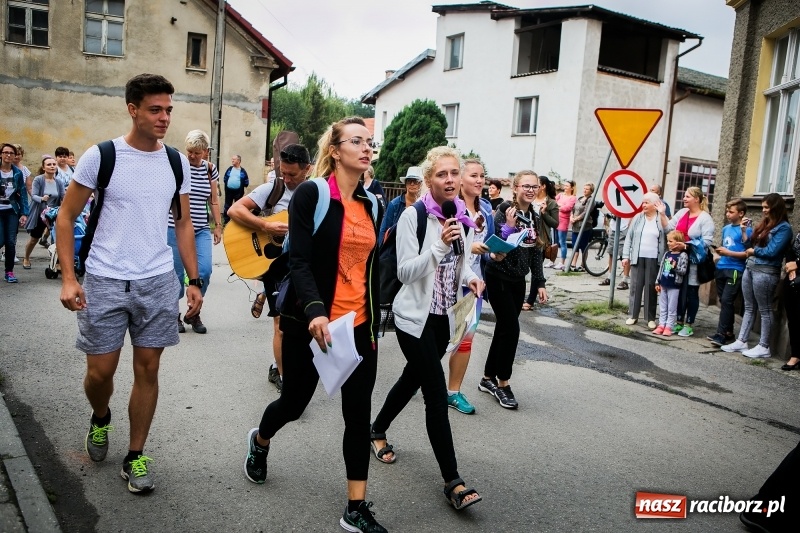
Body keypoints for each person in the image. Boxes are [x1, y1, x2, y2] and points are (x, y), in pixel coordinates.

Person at [56, 73, 202, 494]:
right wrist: (69, 278)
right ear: (133, 109)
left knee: (148, 368)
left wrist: (193, 279)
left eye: (169, 110)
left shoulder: (175, 162)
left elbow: (184, 221)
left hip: (156, 280)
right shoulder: (101, 156)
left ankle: (136, 454)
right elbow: (66, 217)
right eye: (155, 109)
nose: (164, 118)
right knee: (100, 372)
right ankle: (101, 417)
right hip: (104, 277)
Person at [243, 117, 389, 532]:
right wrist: (315, 310)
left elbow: (371, 268)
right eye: (356, 141)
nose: (366, 148)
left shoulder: (372, 203)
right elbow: (301, 260)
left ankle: (355, 508)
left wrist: (376, 318)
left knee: (359, 417)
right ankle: (260, 440)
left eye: (369, 142)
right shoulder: (312, 194)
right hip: (312, 323)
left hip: (358, 326)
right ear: (336, 150)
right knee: (294, 403)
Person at [370, 146, 483, 513]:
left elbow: (459, 265)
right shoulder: (412, 217)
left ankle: (376, 428)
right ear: (429, 179)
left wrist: (471, 278)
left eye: (454, 174)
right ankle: (453, 480)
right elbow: (405, 272)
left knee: (412, 379)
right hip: (413, 320)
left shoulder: (460, 213)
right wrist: (437, 246)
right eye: (442, 175)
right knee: (435, 394)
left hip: (443, 318)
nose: (449, 181)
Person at [228, 143, 312, 394]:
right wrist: (265, 227)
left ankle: (285, 364)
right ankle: (285, 377)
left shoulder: (316, 192)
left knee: (305, 323)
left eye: (292, 175)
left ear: (307, 169)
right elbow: (234, 209)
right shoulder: (273, 188)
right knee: (280, 325)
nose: (285, 178)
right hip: (277, 267)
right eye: (283, 172)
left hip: (304, 266)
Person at [480, 170, 547, 409]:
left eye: (534, 186)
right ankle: (504, 384)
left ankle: (487, 378)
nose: (530, 190)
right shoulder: (503, 212)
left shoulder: (535, 216)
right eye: (525, 186)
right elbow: (495, 248)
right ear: (516, 188)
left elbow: (536, 251)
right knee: (512, 328)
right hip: (498, 277)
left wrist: (539, 282)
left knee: (504, 328)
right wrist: (508, 226)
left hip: (519, 281)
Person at [447, 158, 500, 414]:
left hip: (473, 285)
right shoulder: (449, 207)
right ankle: (416, 376)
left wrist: (494, 253)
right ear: (460, 180)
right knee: (436, 337)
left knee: (464, 340)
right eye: (474, 176)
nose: (480, 180)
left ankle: (453, 392)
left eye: (482, 176)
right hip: (445, 284)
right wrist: (471, 247)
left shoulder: (487, 209)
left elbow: (486, 247)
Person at [721, 193, 792, 358]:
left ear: (776, 207)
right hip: (751, 269)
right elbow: (749, 246)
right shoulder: (766, 224)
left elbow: (772, 252)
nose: (764, 210)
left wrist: (754, 251)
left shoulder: (784, 228)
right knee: (749, 307)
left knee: (765, 309)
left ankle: (764, 346)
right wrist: (744, 231)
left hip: (766, 272)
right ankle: (742, 340)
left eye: (767, 207)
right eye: (763, 207)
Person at [169, 130, 220, 334]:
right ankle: (174, 315)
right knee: (175, 275)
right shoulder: (179, 167)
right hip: (176, 227)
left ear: (205, 152)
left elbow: (213, 199)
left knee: (204, 271)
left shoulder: (210, 169)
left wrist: (218, 225)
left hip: (200, 229)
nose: (192, 156)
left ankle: (194, 310)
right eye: (189, 151)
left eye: (197, 153)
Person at [660, 187, 715, 337]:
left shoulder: (705, 218)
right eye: (684, 196)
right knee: (678, 290)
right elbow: (669, 228)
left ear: (696, 199)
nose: (684, 199)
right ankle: (678, 322)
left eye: (687, 196)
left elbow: (707, 241)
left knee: (691, 292)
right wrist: (663, 214)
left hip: (693, 261)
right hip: (678, 258)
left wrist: (685, 246)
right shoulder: (682, 213)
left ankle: (689, 324)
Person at [707, 199, 752, 346]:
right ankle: (729, 332)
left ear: (741, 213)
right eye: (727, 211)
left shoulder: (746, 230)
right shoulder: (726, 228)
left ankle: (720, 334)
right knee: (724, 301)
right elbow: (727, 245)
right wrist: (720, 253)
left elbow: (748, 253)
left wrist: (728, 253)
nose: (727, 214)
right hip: (722, 267)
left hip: (735, 269)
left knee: (727, 300)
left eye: (731, 212)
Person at [622, 193, 665, 329]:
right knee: (635, 286)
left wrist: (663, 214)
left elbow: (669, 231)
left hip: (654, 258)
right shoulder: (638, 218)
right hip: (637, 257)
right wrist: (625, 256)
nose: (644, 205)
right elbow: (629, 237)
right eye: (643, 203)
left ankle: (650, 317)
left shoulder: (660, 218)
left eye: (647, 203)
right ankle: (633, 315)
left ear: (655, 204)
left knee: (651, 287)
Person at [23, 156, 65, 269]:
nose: (52, 166)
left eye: (53, 164)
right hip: (40, 214)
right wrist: (42, 198)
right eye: (49, 164)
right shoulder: (39, 179)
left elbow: (63, 197)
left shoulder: (59, 181)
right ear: (43, 167)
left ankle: (57, 263)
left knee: (57, 239)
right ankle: (26, 258)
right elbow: (34, 195)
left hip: (53, 214)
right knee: (34, 239)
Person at [524, 173, 558, 308]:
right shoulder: (530, 200)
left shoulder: (551, 203)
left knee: (536, 271)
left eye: (537, 185)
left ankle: (530, 301)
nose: (533, 188)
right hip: (526, 238)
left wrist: (544, 213)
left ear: (543, 187)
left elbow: (555, 224)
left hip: (541, 241)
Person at [0, 143, 29, 283]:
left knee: (10, 242)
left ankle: (9, 272)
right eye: (5, 152)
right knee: (0, 240)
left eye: (11, 153)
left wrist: (24, 213)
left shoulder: (17, 173)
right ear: (1, 154)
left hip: (12, 211)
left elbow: (22, 193)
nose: (8, 155)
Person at [652, 231, 689, 336]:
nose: (668, 243)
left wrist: (675, 267)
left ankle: (669, 326)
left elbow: (683, 271)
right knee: (663, 306)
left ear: (678, 243)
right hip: (664, 283)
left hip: (674, 285)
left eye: (670, 241)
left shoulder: (683, 255)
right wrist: (657, 282)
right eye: (668, 241)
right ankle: (661, 324)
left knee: (671, 307)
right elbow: (662, 269)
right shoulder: (667, 254)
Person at [378, 166, 422, 243]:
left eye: (415, 181)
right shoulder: (394, 204)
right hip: (395, 247)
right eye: (409, 181)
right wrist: (381, 251)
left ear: (421, 184)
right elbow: (384, 229)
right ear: (405, 184)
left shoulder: (424, 204)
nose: (412, 184)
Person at [781, 229, 800, 371]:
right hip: (793, 278)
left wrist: (798, 264)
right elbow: (791, 249)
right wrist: (791, 266)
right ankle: (796, 354)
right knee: (793, 318)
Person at [568, 182, 596, 272]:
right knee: (574, 245)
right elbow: (573, 209)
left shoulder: (591, 200)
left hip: (584, 227)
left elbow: (586, 212)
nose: (584, 190)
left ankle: (583, 265)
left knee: (583, 246)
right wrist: (571, 217)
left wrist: (576, 219)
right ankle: (573, 264)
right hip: (575, 226)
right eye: (584, 188)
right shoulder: (580, 198)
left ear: (591, 191)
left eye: (587, 189)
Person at [599, 213, 630, 288]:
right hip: (613, 227)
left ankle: (625, 280)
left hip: (624, 227)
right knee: (611, 253)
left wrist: (630, 225)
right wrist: (608, 225)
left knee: (625, 255)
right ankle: (610, 277)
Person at [553, 180, 576, 270]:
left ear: (572, 188)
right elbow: (553, 204)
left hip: (563, 221)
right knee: (555, 242)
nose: (565, 187)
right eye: (565, 185)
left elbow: (567, 208)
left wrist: (560, 206)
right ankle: (552, 260)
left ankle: (562, 262)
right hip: (555, 219)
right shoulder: (560, 195)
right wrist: (560, 206)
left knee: (562, 242)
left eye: (567, 186)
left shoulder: (573, 198)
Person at [222, 154, 249, 223]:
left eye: (234, 159)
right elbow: (225, 178)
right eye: (232, 159)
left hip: (238, 192)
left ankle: (237, 220)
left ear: (238, 161)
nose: (232, 160)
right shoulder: (230, 169)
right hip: (229, 191)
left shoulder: (242, 171)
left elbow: (246, 182)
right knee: (227, 205)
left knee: (238, 207)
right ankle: (226, 221)